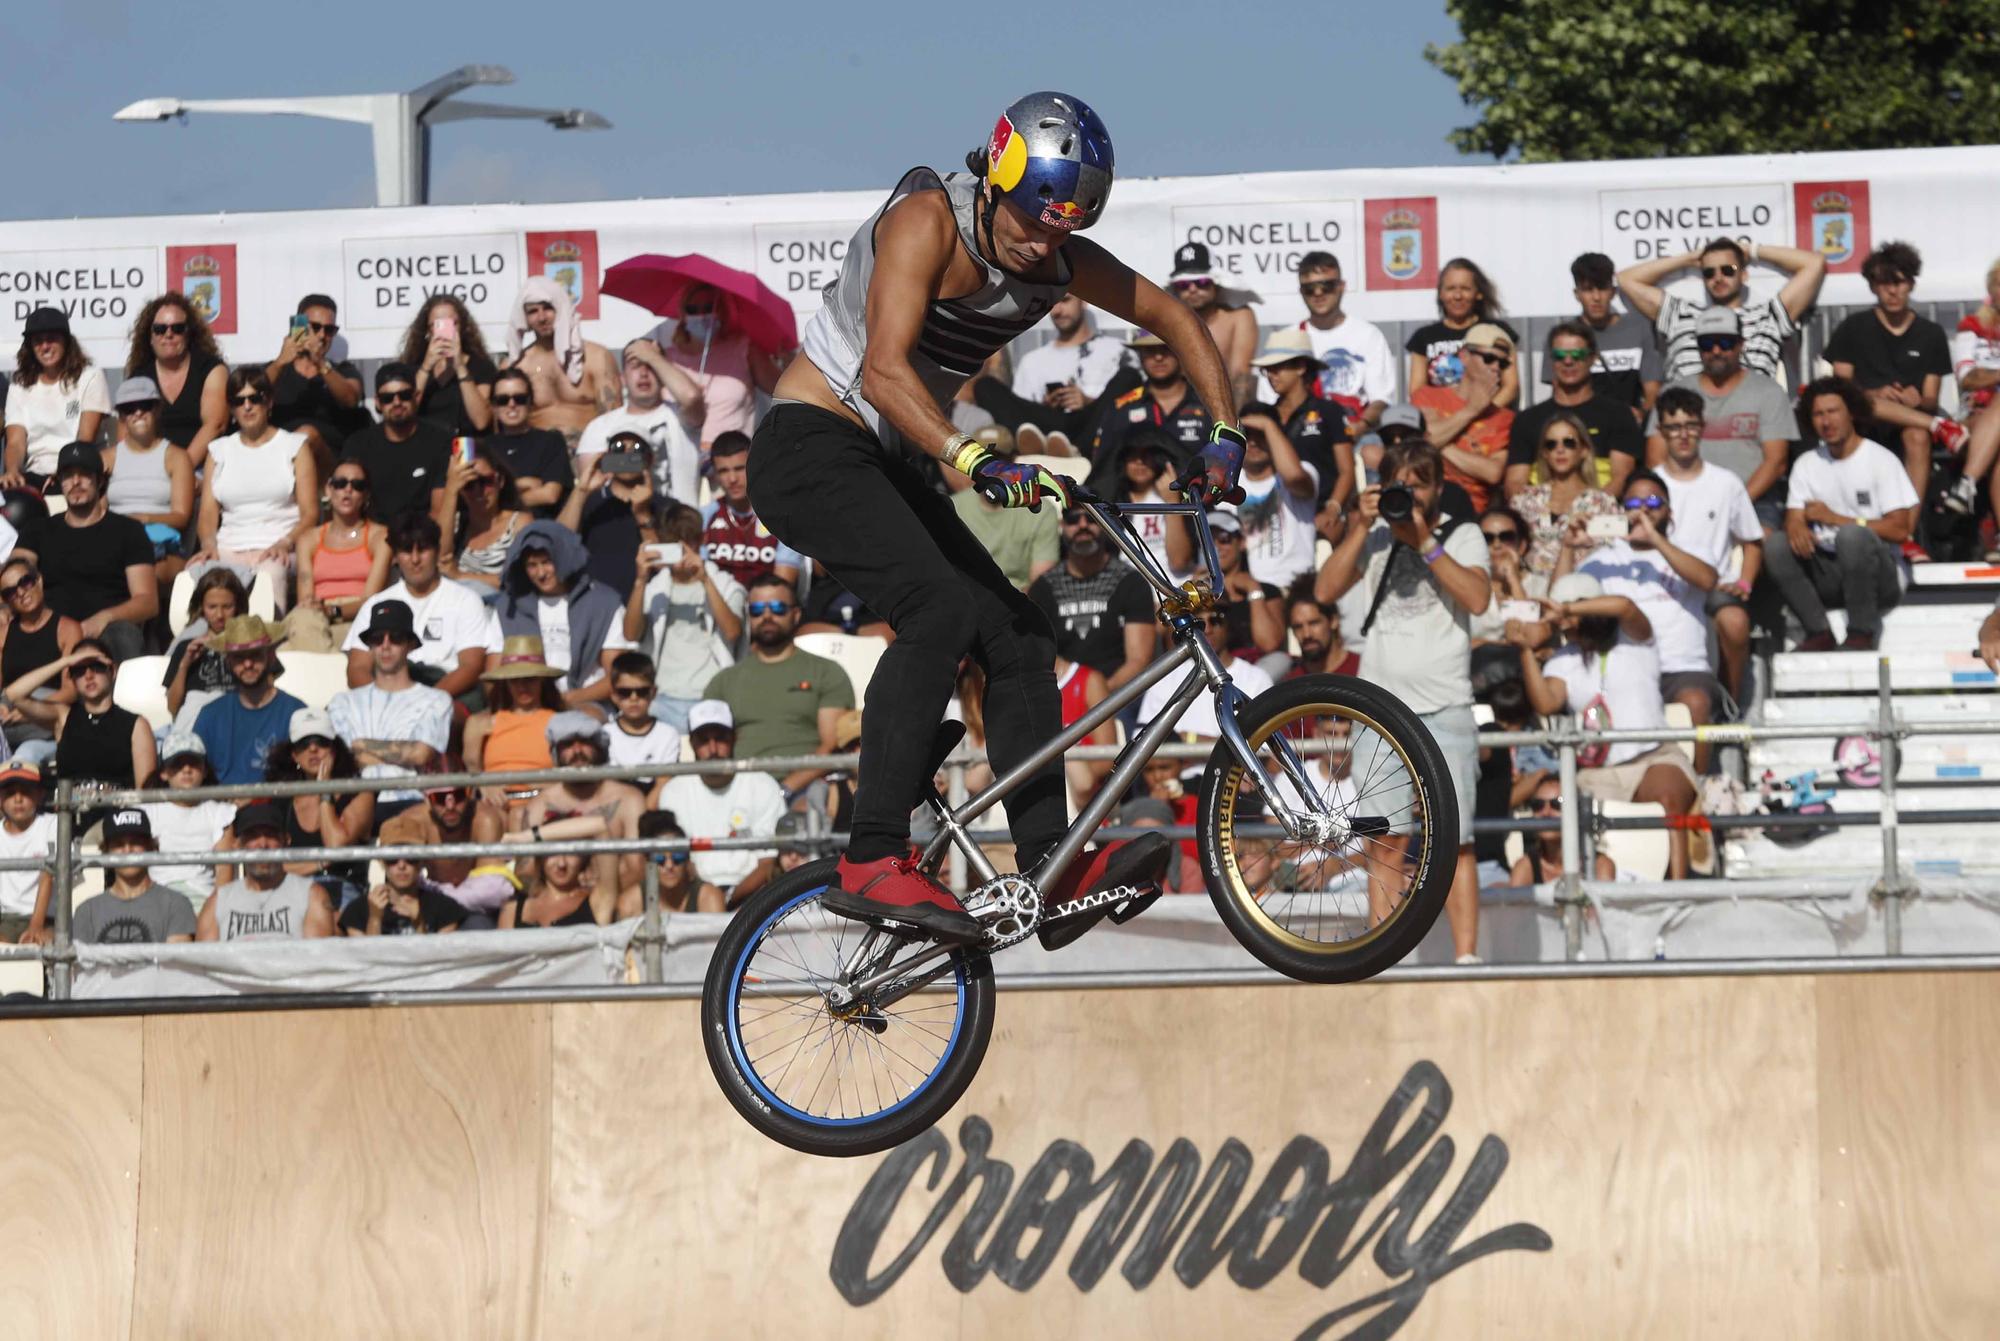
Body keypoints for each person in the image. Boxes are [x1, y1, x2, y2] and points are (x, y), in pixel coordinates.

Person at [749, 93, 1208, 942]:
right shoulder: (928, 221)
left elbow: (1175, 317)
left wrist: (1225, 434)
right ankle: (872, 854)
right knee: (941, 609)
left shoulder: (1061, 261)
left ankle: (1051, 865)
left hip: (886, 461)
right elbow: (885, 373)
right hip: (809, 443)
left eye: (1064, 230)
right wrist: (973, 459)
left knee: (1022, 637)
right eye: (1034, 222)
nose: (1044, 246)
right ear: (995, 181)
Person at [1314, 439, 1491, 963]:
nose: (1409, 492)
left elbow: (1478, 598)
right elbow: (1324, 591)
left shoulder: (1463, 534)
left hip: (1446, 707)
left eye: (1420, 482)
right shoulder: (1374, 537)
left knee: (1454, 843)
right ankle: (1384, 956)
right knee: (1384, 842)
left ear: (1438, 487)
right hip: (1381, 713)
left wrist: (1423, 540)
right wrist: (1363, 526)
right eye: (1400, 483)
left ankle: (1466, 959)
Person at [1514, 572, 1698, 879]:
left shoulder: (1636, 637)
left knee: (1668, 800)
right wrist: (1524, 651)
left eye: (1571, 610)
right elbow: (1546, 702)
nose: (1562, 620)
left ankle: (1677, 890)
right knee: (1559, 806)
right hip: (1595, 771)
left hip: (1651, 756)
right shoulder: (1562, 659)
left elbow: (1625, 606)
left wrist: (1569, 610)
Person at [1560, 470, 1727, 760]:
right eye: (1633, 505)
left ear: (1669, 511)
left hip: (1680, 668)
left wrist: (1655, 540)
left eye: (1652, 502)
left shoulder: (1691, 549)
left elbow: (1707, 580)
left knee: (1696, 702)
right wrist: (1567, 549)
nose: (1643, 511)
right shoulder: (1603, 558)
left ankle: (1697, 787)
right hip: (1626, 668)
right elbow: (1560, 599)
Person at [1764, 378, 1920, 653]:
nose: (1826, 421)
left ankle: (1862, 631)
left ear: (1851, 413)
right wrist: (1796, 526)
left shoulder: (1880, 460)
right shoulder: (1807, 463)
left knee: (1852, 536)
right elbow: (1794, 514)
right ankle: (1818, 632)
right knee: (1776, 544)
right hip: (1829, 571)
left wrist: (1838, 519)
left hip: (1879, 576)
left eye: (1833, 411)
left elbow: (1900, 529)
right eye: (1818, 414)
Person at [1825, 240, 1961, 506]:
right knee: (1865, 401)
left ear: (1911, 284)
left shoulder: (1931, 333)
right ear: (1873, 287)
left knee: (1918, 436)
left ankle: (1908, 525)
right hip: (1863, 419)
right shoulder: (1852, 327)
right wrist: (1873, 393)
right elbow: (1839, 387)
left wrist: (1918, 400)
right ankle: (1942, 427)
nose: (1892, 291)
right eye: (1884, 283)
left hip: (1913, 423)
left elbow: (1931, 398)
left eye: (1899, 282)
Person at [1655, 388, 1763, 702]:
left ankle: (1730, 701)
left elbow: (1752, 542)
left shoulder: (1726, 482)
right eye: (1674, 428)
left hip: (1714, 588)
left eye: (1690, 426)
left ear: (1702, 428)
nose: (1683, 435)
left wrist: (1744, 582)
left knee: (1735, 621)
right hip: (1664, 588)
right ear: (1662, 432)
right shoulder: (1650, 483)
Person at [1641, 307, 1796, 526]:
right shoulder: (1672, 392)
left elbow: (1776, 462)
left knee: (1764, 544)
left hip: (1754, 500)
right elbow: (1655, 459)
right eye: (1706, 344)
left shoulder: (1769, 392)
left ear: (1741, 345)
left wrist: (1734, 504)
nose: (1715, 351)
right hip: (1682, 500)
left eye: (1725, 343)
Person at [703, 572, 852, 798]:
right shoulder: (722, 682)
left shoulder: (826, 672)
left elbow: (830, 746)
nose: (767, 616)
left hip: (807, 788)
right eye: (757, 610)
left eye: (777, 608)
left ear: (796, 614)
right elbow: (710, 747)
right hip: (740, 790)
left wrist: (784, 790)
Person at [11, 441, 159, 661]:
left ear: (100, 481)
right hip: (49, 629)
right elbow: (14, 573)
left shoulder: (128, 531)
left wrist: (104, 618)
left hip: (106, 632)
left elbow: (147, 601)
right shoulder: (38, 530)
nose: (76, 482)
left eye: (84, 474)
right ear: (58, 482)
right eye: (68, 475)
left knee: (123, 635)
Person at [188, 366, 317, 615]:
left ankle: (264, 648)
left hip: (279, 547)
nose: (247, 406)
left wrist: (285, 542)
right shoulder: (218, 450)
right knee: (192, 575)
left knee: (270, 575)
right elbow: (207, 514)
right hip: (228, 547)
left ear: (269, 402)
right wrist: (208, 544)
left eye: (255, 398)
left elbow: (310, 514)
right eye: (239, 400)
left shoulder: (294, 447)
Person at [1616, 235, 1826, 382]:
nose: (1718, 278)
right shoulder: (1682, 313)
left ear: (1743, 274)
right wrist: (1688, 258)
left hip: (1748, 421)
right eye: (1709, 272)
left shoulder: (1767, 316)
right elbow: (1626, 279)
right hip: (1689, 424)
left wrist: (1749, 250)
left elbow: (1814, 264)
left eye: (1728, 270)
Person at [343, 514, 496, 698]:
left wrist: (424, 703)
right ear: (395, 557)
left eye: (422, 550)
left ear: (437, 551)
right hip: (388, 690)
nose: (415, 559)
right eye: (407, 551)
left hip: (447, 690)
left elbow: (471, 666)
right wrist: (383, 701)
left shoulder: (466, 600)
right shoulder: (376, 604)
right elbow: (357, 668)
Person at [651, 699, 783, 911]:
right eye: (703, 740)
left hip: (753, 897)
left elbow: (767, 864)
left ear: (734, 739)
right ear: (692, 743)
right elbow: (678, 862)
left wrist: (728, 898)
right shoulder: (674, 791)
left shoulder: (762, 784)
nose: (713, 749)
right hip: (695, 896)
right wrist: (711, 898)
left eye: (720, 739)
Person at [496, 519, 633, 710]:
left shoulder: (604, 603)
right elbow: (494, 672)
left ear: (563, 558)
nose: (541, 573)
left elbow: (617, 676)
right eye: (532, 565)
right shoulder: (508, 609)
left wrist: (568, 699)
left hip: (587, 702)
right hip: (526, 706)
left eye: (546, 562)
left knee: (576, 727)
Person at [328, 600, 452, 810]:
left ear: (410, 644)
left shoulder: (437, 700)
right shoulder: (343, 702)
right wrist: (403, 752)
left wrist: (361, 744)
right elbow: (344, 758)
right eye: (377, 639)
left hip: (412, 803)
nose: (385, 645)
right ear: (370, 645)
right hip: (354, 806)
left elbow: (421, 754)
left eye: (395, 638)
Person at [1503, 321, 1641, 501]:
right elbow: (1515, 483)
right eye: (1560, 355)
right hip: (1541, 520)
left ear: (1593, 358)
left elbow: (1621, 478)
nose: (1568, 361)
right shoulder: (1527, 420)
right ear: (1551, 360)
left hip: (1599, 518)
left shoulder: (1618, 414)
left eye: (1578, 354)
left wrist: (1586, 512)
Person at [1, 640, 155, 799]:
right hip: (69, 817)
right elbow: (14, 694)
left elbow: (146, 793)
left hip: (115, 815)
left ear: (112, 670)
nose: (88, 675)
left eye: (96, 666)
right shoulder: (63, 717)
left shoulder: (136, 725)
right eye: (79, 670)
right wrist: (65, 662)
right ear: (72, 678)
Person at [1028, 506, 1158, 693]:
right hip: (1062, 696)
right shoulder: (1043, 588)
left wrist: (1099, 698)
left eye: (1091, 518)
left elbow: (1138, 661)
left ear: (1105, 525)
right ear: (1062, 526)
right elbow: (1038, 660)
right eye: (1074, 520)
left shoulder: (1131, 582)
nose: (1083, 525)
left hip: (1120, 695)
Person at [646, 282, 784, 451]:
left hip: (732, 463)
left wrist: (790, 359)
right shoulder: (667, 358)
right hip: (681, 459)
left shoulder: (744, 349)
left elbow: (784, 391)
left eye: (708, 307)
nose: (701, 315)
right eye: (692, 310)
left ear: (721, 311)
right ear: (683, 315)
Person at [522, 712, 647, 896]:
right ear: (555, 753)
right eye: (568, 744)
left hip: (614, 905)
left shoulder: (629, 799)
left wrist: (598, 898)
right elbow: (525, 872)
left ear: (599, 749)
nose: (577, 750)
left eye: (585, 742)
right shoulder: (539, 805)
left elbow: (637, 869)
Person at [265, 709, 376, 910]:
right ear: (294, 755)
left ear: (334, 750)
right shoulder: (282, 801)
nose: (313, 749)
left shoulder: (360, 793)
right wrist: (320, 864)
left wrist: (324, 791)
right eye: (304, 744)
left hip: (343, 889)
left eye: (321, 742)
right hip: (292, 890)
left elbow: (335, 845)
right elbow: (271, 865)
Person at [575, 341, 703, 510]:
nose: (644, 373)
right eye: (635, 366)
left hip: (678, 526)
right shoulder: (599, 427)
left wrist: (653, 356)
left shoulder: (681, 417)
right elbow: (591, 484)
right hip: (622, 526)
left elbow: (691, 396)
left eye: (651, 365)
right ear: (623, 377)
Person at [1084, 330, 1213, 498]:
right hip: (1132, 513)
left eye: (1166, 349)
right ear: (1140, 355)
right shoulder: (1121, 408)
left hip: (1198, 507)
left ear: (1181, 352)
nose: (1158, 357)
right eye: (1150, 351)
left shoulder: (1207, 407)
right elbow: (1103, 469)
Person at [102, 375, 196, 597]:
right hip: (115, 541)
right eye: (128, 408)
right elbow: (98, 510)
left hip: (161, 545)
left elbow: (181, 516)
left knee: (138, 573)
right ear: (121, 416)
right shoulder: (107, 458)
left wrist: (142, 519)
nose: (137, 413)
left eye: (145, 406)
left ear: (157, 409)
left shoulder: (176, 456)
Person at [197, 801, 336, 940]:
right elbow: (203, 959)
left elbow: (317, 957)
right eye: (253, 836)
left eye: (271, 835)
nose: (263, 844)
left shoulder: (311, 896)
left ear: (286, 840)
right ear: (237, 844)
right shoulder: (217, 902)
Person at [505, 277, 623, 440]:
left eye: (548, 308)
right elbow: (505, 428)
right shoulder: (517, 367)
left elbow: (614, 421)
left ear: (561, 309)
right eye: (533, 311)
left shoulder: (596, 357)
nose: (541, 317)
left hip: (588, 454)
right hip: (538, 458)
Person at [1414, 322, 1515, 515]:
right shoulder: (1427, 396)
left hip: (1472, 513)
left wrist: (1435, 443)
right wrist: (1472, 410)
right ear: (1464, 356)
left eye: (1502, 363)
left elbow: (1492, 473)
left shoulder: (1504, 418)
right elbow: (1418, 447)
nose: (1496, 368)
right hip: (1425, 507)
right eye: (1489, 358)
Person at [191, 615, 305, 786]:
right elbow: (194, 769)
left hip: (275, 806)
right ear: (228, 661)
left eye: (256, 655)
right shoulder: (210, 715)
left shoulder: (296, 712)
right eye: (239, 657)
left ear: (271, 656)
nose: (248, 664)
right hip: (220, 806)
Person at [290, 457, 390, 651]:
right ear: (329, 489)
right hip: (315, 616)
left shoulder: (379, 537)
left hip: (358, 617)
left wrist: (333, 611)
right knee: (301, 624)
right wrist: (321, 611)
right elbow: (306, 599)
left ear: (366, 494)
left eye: (357, 485)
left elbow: (371, 600)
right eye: (340, 483)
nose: (348, 490)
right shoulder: (308, 539)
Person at [5, 307, 109, 490]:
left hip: (78, 470)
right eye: (38, 341)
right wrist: (12, 471)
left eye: (52, 339)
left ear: (67, 342)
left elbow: (85, 439)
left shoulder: (89, 377)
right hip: (34, 475)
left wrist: (64, 471)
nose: (45, 346)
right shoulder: (18, 386)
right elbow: (15, 442)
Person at [122, 292, 227, 470]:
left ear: (189, 333)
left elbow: (215, 425)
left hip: (204, 467)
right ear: (150, 336)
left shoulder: (212, 370)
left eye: (177, 328)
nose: (168, 334)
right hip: (155, 468)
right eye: (160, 329)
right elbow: (126, 437)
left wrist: (180, 472)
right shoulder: (139, 378)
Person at [1138, 607, 1276, 741]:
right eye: (1198, 622)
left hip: (1239, 765)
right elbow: (1143, 741)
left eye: (1215, 620)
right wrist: (1228, 745)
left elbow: (1266, 745)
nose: (1207, 629)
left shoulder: (1258, 678)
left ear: (1228, 624)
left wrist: (1188, 739)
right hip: (1182, 766)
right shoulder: (1166, 680)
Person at [1252, 328, 1353, 510]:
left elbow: (1347, 470)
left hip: (1321, 509)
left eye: (1277, 367)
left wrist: (1333, 509)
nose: (1271, 375)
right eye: (1267, 369)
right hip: (1277, 512)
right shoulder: (1265, 416)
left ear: (1301, 367)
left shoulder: (1329, 411)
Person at [340, 363, 452, 527]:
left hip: (423, 539)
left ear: (417, 396)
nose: (397, 402)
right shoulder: (358, 445)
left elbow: (439, 511)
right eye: (388, 398)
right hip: (373, 538)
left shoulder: (440, 441)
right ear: (378, 403)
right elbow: (346, 503)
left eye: (405, 395)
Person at [949, 427, 1061, 589]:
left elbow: (1039, 585)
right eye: (981, 459)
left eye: (997, 459)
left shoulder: (1040, 510)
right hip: (967, 601)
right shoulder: (954, 507)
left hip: (1020, 603)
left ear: (1013, 461)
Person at [1511, 410, 1619, 577]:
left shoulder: (1603, 503)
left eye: (1568, 443)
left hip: (1583, 590)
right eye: (1551, 444)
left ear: (1584, 450)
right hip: (1531, 591)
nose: (1560, 450)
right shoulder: (1524, 500)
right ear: (1545, 454)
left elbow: (1612, 552)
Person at [137, 731, 236, 912]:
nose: (186, 769)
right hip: (157, 899)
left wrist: (214, 914)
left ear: (205, 770)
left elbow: (224, 874)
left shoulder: (220, 813)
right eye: (177, 764)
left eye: (194, 763)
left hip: (204, 899)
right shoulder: (147, 813)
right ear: (164, 773)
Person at [1295, 251, 1394, 427]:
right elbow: (1272, 402)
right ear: (1301, 292)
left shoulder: (1368, 335)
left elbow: (1380, 400)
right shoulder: (1290, 338)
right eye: (1309, 288)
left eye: (1327, 285)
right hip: (1304, 433)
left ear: (1342, 286)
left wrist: (1359, 428)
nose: (1318, 293)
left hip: (1355, 433)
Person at [70, 809, 197, 944]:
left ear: (150, 846)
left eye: (136, 842)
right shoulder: (86, 911)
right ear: (106, 850)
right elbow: (80, 963)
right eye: (119, 844)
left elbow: (177, 963)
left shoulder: (176, 904)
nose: (128, 850)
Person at [265, 293, 367, 460]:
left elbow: (350, 399)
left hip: (327, 463)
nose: (322, 335)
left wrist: (319, 362)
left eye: (329, 330)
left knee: (308, 434)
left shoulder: (343, 370)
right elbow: (251, 394)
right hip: (277, 460)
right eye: (316, 327)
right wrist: (280, 363)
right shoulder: (276, 369)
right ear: (299, 326)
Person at [1558, 252, 1663, 416]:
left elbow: (1653, 390)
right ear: (1576, 294)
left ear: (1613, 292)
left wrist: (1640, 416)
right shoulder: (1564, 337)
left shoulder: (1640, 328)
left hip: (1627, 430)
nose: (1596, 297)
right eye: (1587, 290)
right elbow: (1561, 395)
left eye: (1602, 288)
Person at [462, 634, 562, 805]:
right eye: (515, 680)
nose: (522, 687)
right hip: (494, 802)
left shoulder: (560, 722)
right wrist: (485, 784)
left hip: (544, 802)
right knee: (487, 821)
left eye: (529, 679)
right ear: (505, 683)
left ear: (542, 681)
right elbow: (473, 769)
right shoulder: (480, 723)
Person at [1405, 258, 1519, 406]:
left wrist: (1479, 416)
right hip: (1442, 423)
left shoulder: (1498, 332)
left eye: (1465, 289)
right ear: (1441, 294)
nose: (1458, 296)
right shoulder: (1423, 337)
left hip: (1489, 421)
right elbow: (1417, 392)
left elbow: (1510, 387)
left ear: (1478, 294)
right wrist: (1450, 420)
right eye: (1450, 289)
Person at [1233, 402, 1323, 590]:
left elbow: (1294, 477)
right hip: (1253, 591)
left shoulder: (1305, 470)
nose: (1254, 442)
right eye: (1248, 434)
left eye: (1262, 435)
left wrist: (1268, 424)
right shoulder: (1230, 485)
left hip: (1297, 588)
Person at [378, 761, 506, 891]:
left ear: (470, 793)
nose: (450, 806)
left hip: (472, 904)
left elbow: (488, 887)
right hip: (429, 903)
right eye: (439, 797)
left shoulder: (485, 820)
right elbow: (399, 882)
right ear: (427, 799)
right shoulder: (412, 821)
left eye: (458, 795)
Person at [559, 434, 658, 599]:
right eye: (618, 449)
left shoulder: (667, 505)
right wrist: (581, 490)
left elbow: (667, 564)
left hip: (650, 604)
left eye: (636, 449)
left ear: (649, 459)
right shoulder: (587, 502)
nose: (627, 455)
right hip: (596, 606)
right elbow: (557, 543)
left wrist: (643, 516)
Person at [0, 555, 80, 759]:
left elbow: (70, 691)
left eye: (25, 582)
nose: (20, 592)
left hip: (47, 718)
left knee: (25, 757)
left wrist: (30, 710)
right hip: (10, 715)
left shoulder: (66, 629)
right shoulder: (4, 633)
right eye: (10, 592)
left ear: (39, 581)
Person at [702, 431, 803, 590]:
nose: (732, 479)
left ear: (755, 465)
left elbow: (782, 588)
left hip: (764, 609)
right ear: (715, 474)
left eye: (739, 468)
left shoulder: (783, 517)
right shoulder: (704, 516)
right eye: (724, 471)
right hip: (716, 607)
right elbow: (700, 578)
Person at [477, 366, 578, 515]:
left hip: (538, 529)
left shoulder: (551, 441)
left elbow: (549, 495)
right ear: (494, 407)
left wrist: (501, 496)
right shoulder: (483, 447)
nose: (512, 404)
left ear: (530, 403)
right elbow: (477, 498)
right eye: (503, 400)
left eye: (520, 399)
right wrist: (524, 484)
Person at [1166, 240, 1258, 402]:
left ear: (1217, 283)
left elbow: (1241, 375)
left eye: (1202, 282)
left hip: (1227, 408)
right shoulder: (1167, 321)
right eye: (1183, 284)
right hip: (1178, 411)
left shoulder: (1239, 316)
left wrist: (1233, 424)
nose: (1193, 289)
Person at [433, 441, 527, 599]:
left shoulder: (519, 523)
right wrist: (451, 490)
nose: (478, 491)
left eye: (485, 481)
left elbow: (522, 580)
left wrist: (460, 575)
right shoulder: (454, 524)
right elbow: (438, 559)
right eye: (469, 485)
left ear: (500, 480)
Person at [1949, 260, 2000, 531]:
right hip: (1976, 413)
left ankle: (1966, 484)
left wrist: (1989, 374)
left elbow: (1980, 375)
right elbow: (1967, 378)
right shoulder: (1972, 325)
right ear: (1993, 290)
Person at [401, 294, 497, 437]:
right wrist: (426, 367)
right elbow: (405, 413)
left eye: (452, 323)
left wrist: (460, 367)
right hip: (429, 449)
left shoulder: (481, 367)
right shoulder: (413, 368)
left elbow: (481, 421)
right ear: (428, 331)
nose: (445, 330)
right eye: (437, 324)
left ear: (462, 326)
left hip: (466, 448)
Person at [1105, 427, 1193, 581]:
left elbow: (1179, 562)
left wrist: (1172, 502)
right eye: (1133, 455)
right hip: (1133, 596)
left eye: (1147, 455)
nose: (1140, 462)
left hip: (1176, 591)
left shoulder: (1174, 497)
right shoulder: (1111, 502)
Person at [1204, 510, 1286, 674]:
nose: (1217, 548)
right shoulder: (1197, 593)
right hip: (1212, 671)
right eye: (1209, 541)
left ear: (1241, 542)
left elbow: (1269, 644)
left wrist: (1254, 591)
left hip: (1257, 674)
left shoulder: (1267, 591)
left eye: (1224, 539)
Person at [163, 568, 246, 720]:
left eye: (227, 607)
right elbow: (173, 709)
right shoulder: (186, 647)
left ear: (238, 606)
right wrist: (184, 665)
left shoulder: (252, 646)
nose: (220, 615)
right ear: (201, 608)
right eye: (212, 607)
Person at [1506, 776, 1618, 889]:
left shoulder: (1600, 865)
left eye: (1557, 804)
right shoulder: (1525, 867)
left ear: (1577, 811)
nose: (1546, 812)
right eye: (1537, 805)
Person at [602, 651, 682, 788]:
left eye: (642, 692)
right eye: (625, 693)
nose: (634, 698)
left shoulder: (668, 735)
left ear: (653, 693)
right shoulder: (604, 735)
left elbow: (662, 786)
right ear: (614, 695)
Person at [340, 855, 465, 936]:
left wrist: (419, 923)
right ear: (381, 861)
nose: (401, 866)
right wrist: (375, 919)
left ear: (422, 862)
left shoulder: (446, 908)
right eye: (393, 858)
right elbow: (366, 963)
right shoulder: (356, 910)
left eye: (410, 858)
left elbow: (438, 962)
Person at [0, 761, 54, 946]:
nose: (18, 799)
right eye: (10, 793)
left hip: (45, 917)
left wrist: (36, 926)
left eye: (26, 792)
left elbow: (49, 876)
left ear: (39, 795)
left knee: (39, 941)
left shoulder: (52, 825)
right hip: (5, 919)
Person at [1285, 584, 1359, 677]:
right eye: (1298, 627)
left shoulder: (1363, 669)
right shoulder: (1291, 684)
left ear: (1333, 621)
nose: (1306, 634)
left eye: (1314, 623)